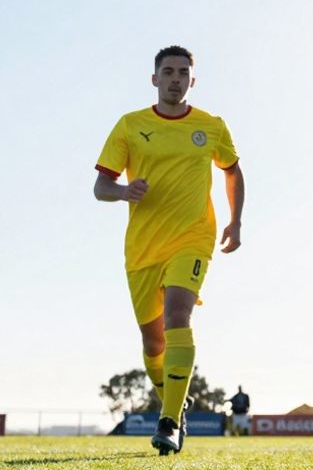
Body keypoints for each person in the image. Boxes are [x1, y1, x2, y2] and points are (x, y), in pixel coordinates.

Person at [93, 45, 245, 455]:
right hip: (143, 248)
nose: (176, 79)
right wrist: (124, 191)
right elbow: (101, 187)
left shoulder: (211, 126)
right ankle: (174, 402)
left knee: (179, 314)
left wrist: (235, 220)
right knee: (153, 343)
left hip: (193, 238)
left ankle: (169, 421)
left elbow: (232, 171)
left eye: (183, 73)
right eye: (168, 72)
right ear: (154, 78)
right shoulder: (130, 125)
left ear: (192, 81)